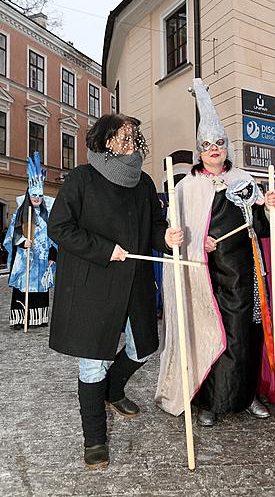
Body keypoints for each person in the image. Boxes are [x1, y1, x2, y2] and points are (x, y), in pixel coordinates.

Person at [155, 78, 275, 427]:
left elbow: (263, 230)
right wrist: (190, 240)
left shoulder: (244, 181)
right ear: (200, 151)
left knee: (246, 336)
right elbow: (175, 233)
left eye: (219, 142)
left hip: (245, 272)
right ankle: (211, 401)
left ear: (227, 147)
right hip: (205, 275)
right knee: (210, 334)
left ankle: (247, 396)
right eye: (206, 144)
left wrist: (269, 207)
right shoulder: (188, 187)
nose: (213, 148)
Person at [47, 114, 183, 470]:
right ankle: (94, 440)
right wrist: (104, 249)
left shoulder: (143, 182)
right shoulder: (81, 178)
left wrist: (165, 238)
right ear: (104, 139)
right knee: (93, 364)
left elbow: (154, 226)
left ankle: (114, 388)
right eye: (121, 136)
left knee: (143, 348)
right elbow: (59, 228)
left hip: (134, 284)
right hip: (93, 286)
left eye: (132, 136)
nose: (128, 141)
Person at [3, 152, 56, 330]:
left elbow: (54, 238)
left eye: (39, 196)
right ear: (28, 195)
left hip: (41, 261)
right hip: (25, 259)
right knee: (22, 288)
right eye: (34, 195)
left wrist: (53, 256)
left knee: (40, 289)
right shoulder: (21, 214)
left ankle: (37, 318)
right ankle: (20, 318)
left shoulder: (47, 216)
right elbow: (11, 235)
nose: (36, 199)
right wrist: (22, 241)